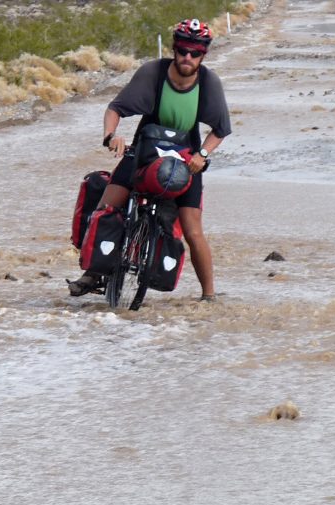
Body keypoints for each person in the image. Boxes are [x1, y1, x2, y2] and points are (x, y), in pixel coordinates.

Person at [68, 18, 232, 302]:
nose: (187, 58)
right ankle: (93, 274)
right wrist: (111, 136)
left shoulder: (208, 82)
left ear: (203, 55)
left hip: (186, 161)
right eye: (182, 51)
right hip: (143, 151)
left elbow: (221, 129)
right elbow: (115, 108)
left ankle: (209, 296)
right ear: (173, 49)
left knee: (193, 231)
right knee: (105, 208)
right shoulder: (153, 73)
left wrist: (202, 155)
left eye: (195, 53)